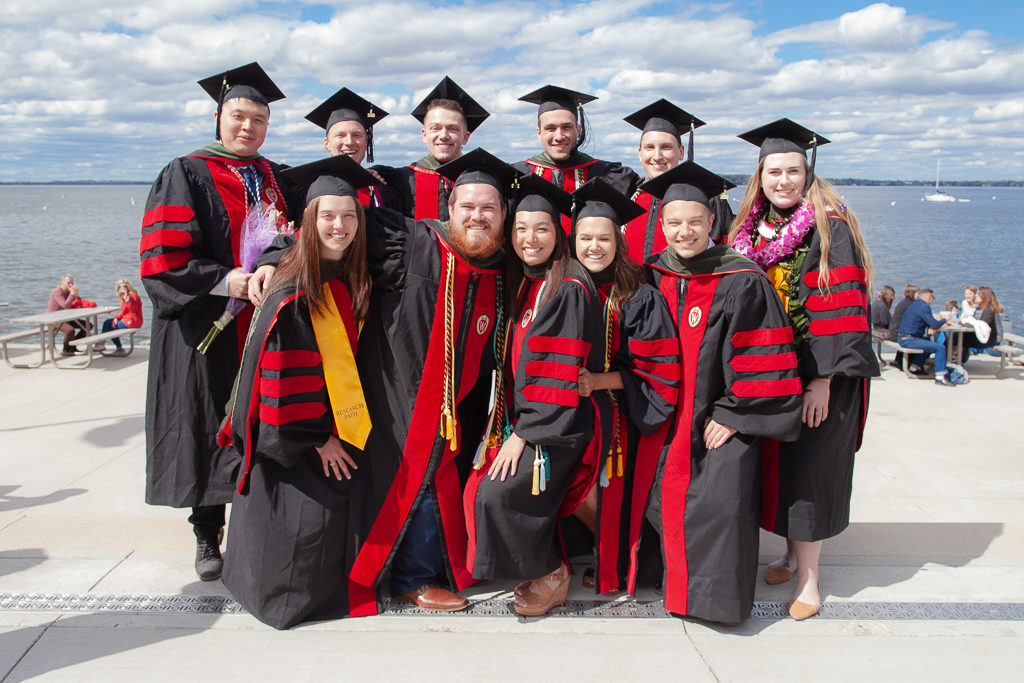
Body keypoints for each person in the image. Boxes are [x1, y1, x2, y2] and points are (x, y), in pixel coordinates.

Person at [140, 62, 304, 581]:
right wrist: (225, 280)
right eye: (238, 116)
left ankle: (259, 527)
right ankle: (207, 533)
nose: (247, 127)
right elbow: (161, 258)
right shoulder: (185, 172)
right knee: (207, 424)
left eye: (259, 119)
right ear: (218, 117)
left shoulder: (276, 176)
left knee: (260, 423)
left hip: (262, 326)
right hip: (203, 329)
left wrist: (276, 261)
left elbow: (292, 234)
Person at [627, 161, 802, 624]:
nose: (684, 232)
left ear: (711, 222)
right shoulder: (651, 275)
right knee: (656, 493)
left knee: (720, 501)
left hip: (720, 417)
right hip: (662, 415)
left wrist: (734, 414)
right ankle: (667, 581)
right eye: (674, 222)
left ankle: (712, 601)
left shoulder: (741, 280)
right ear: (661, 225)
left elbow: (763, 357)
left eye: (694, 222)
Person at [730, 119, 881, 620]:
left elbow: (841, 306)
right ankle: (792, 555)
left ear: (807, 173)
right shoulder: (750, 227)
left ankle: (812, 579)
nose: (783, 180)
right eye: (774, 171)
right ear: (761, 175)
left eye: (793, 171)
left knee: (814, 471)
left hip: (823, 379)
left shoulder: (829, 227)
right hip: (775, 373)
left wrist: (822, 381)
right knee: (786, 468)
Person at [219, 156, 377, 628]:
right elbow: (283, 378)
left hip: (332, 423)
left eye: (349, 215)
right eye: (327, 215)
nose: (340, 225)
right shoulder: (291, 290)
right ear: (308, 221)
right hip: (296, 441)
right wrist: (317, 437)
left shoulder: (351, 274)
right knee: (303, 532)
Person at [463, 174, 605, 617]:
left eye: (541, 228)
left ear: (559, 232)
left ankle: (551, 571)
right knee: (478, 488)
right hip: (538, 418)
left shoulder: (566, 288)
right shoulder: (531, 281)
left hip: (562, 424)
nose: (529, 238)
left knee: (497, 493)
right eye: (520, 229)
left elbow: (556, 374)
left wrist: (523, 434)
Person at [569, 178, 679, 594]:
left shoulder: (637, 293)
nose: (594, 247)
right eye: (585, 237)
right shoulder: (563, 283)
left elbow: (655, 370)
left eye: (603, 238)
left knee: (616, 489)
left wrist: (598, 381)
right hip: (570, 409)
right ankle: (602, 549)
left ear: (618, 241)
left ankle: (620, 559)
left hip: (620, 411)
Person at [621, 99, 734, 261]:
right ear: (640, 153)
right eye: (650, 147)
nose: (657, 156)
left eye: (666, 147)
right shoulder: (629, 196)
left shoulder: (705, 199)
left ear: (681, 152)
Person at [514, 85, 633, 231]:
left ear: (577, 130)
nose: (559, 136)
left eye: (566, 127)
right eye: (550, 128)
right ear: (539, 132)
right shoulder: (519, 174)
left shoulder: (605, 174)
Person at [384, 76, 490, 221]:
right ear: (424, 135)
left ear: (465, 137)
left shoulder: (482, 178)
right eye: (436, 128)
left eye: (452, 129)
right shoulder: (401, 180)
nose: (444, 135)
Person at [304, 87, 398, 210]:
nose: (349, 142)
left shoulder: (381, 188)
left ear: (367, 142)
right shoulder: (308, 190)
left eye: (356, 135)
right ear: (326, 143)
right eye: (340, 135)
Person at [897, 288, 953, 384]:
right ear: (929, 297)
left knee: (929, 344)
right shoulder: (924, 307)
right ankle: (940, 376)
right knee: (940, 348)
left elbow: (926, 322)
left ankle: (915, 367)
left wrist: (931, 326)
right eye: (933, 298)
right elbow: (934, 323)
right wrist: (944, 320)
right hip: (909, 339)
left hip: (903, 337)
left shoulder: (915, 304)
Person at [97, 279, 143, 354]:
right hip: (129, 320)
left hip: (132, 321)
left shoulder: (133, 296)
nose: (122, 289)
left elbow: (133, 310)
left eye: (124, 286)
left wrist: (127, 299)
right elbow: (124, 312)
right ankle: (118, 348)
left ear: (128, 287)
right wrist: (116, 317)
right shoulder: (124, 297)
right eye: (120, 287)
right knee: (108, 323)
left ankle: (102, 344)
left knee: (109, 325)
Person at [961, 285, 1004, 361]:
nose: (976, 295)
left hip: (991, 340)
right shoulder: (980, 307)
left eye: (978, 294)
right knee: (958, 337)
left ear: (984, 297)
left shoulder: (989, 309)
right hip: (986, 337)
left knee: (962, 340)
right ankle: (956, 360)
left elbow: (982, 324)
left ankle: (960, 361)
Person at [47, 274, 87, 354]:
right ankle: (66, 349)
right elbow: (65, 305)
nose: (71, 285)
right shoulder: (57, 292)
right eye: (68, 283)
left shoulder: (69, 292)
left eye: (72, 283)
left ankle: (72, 345)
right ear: (62, 283)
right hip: (54, 318)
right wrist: (72, 294)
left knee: (87, 326)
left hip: (66, 317)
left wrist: (77, 295)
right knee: (70, 330)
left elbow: (78, 305)